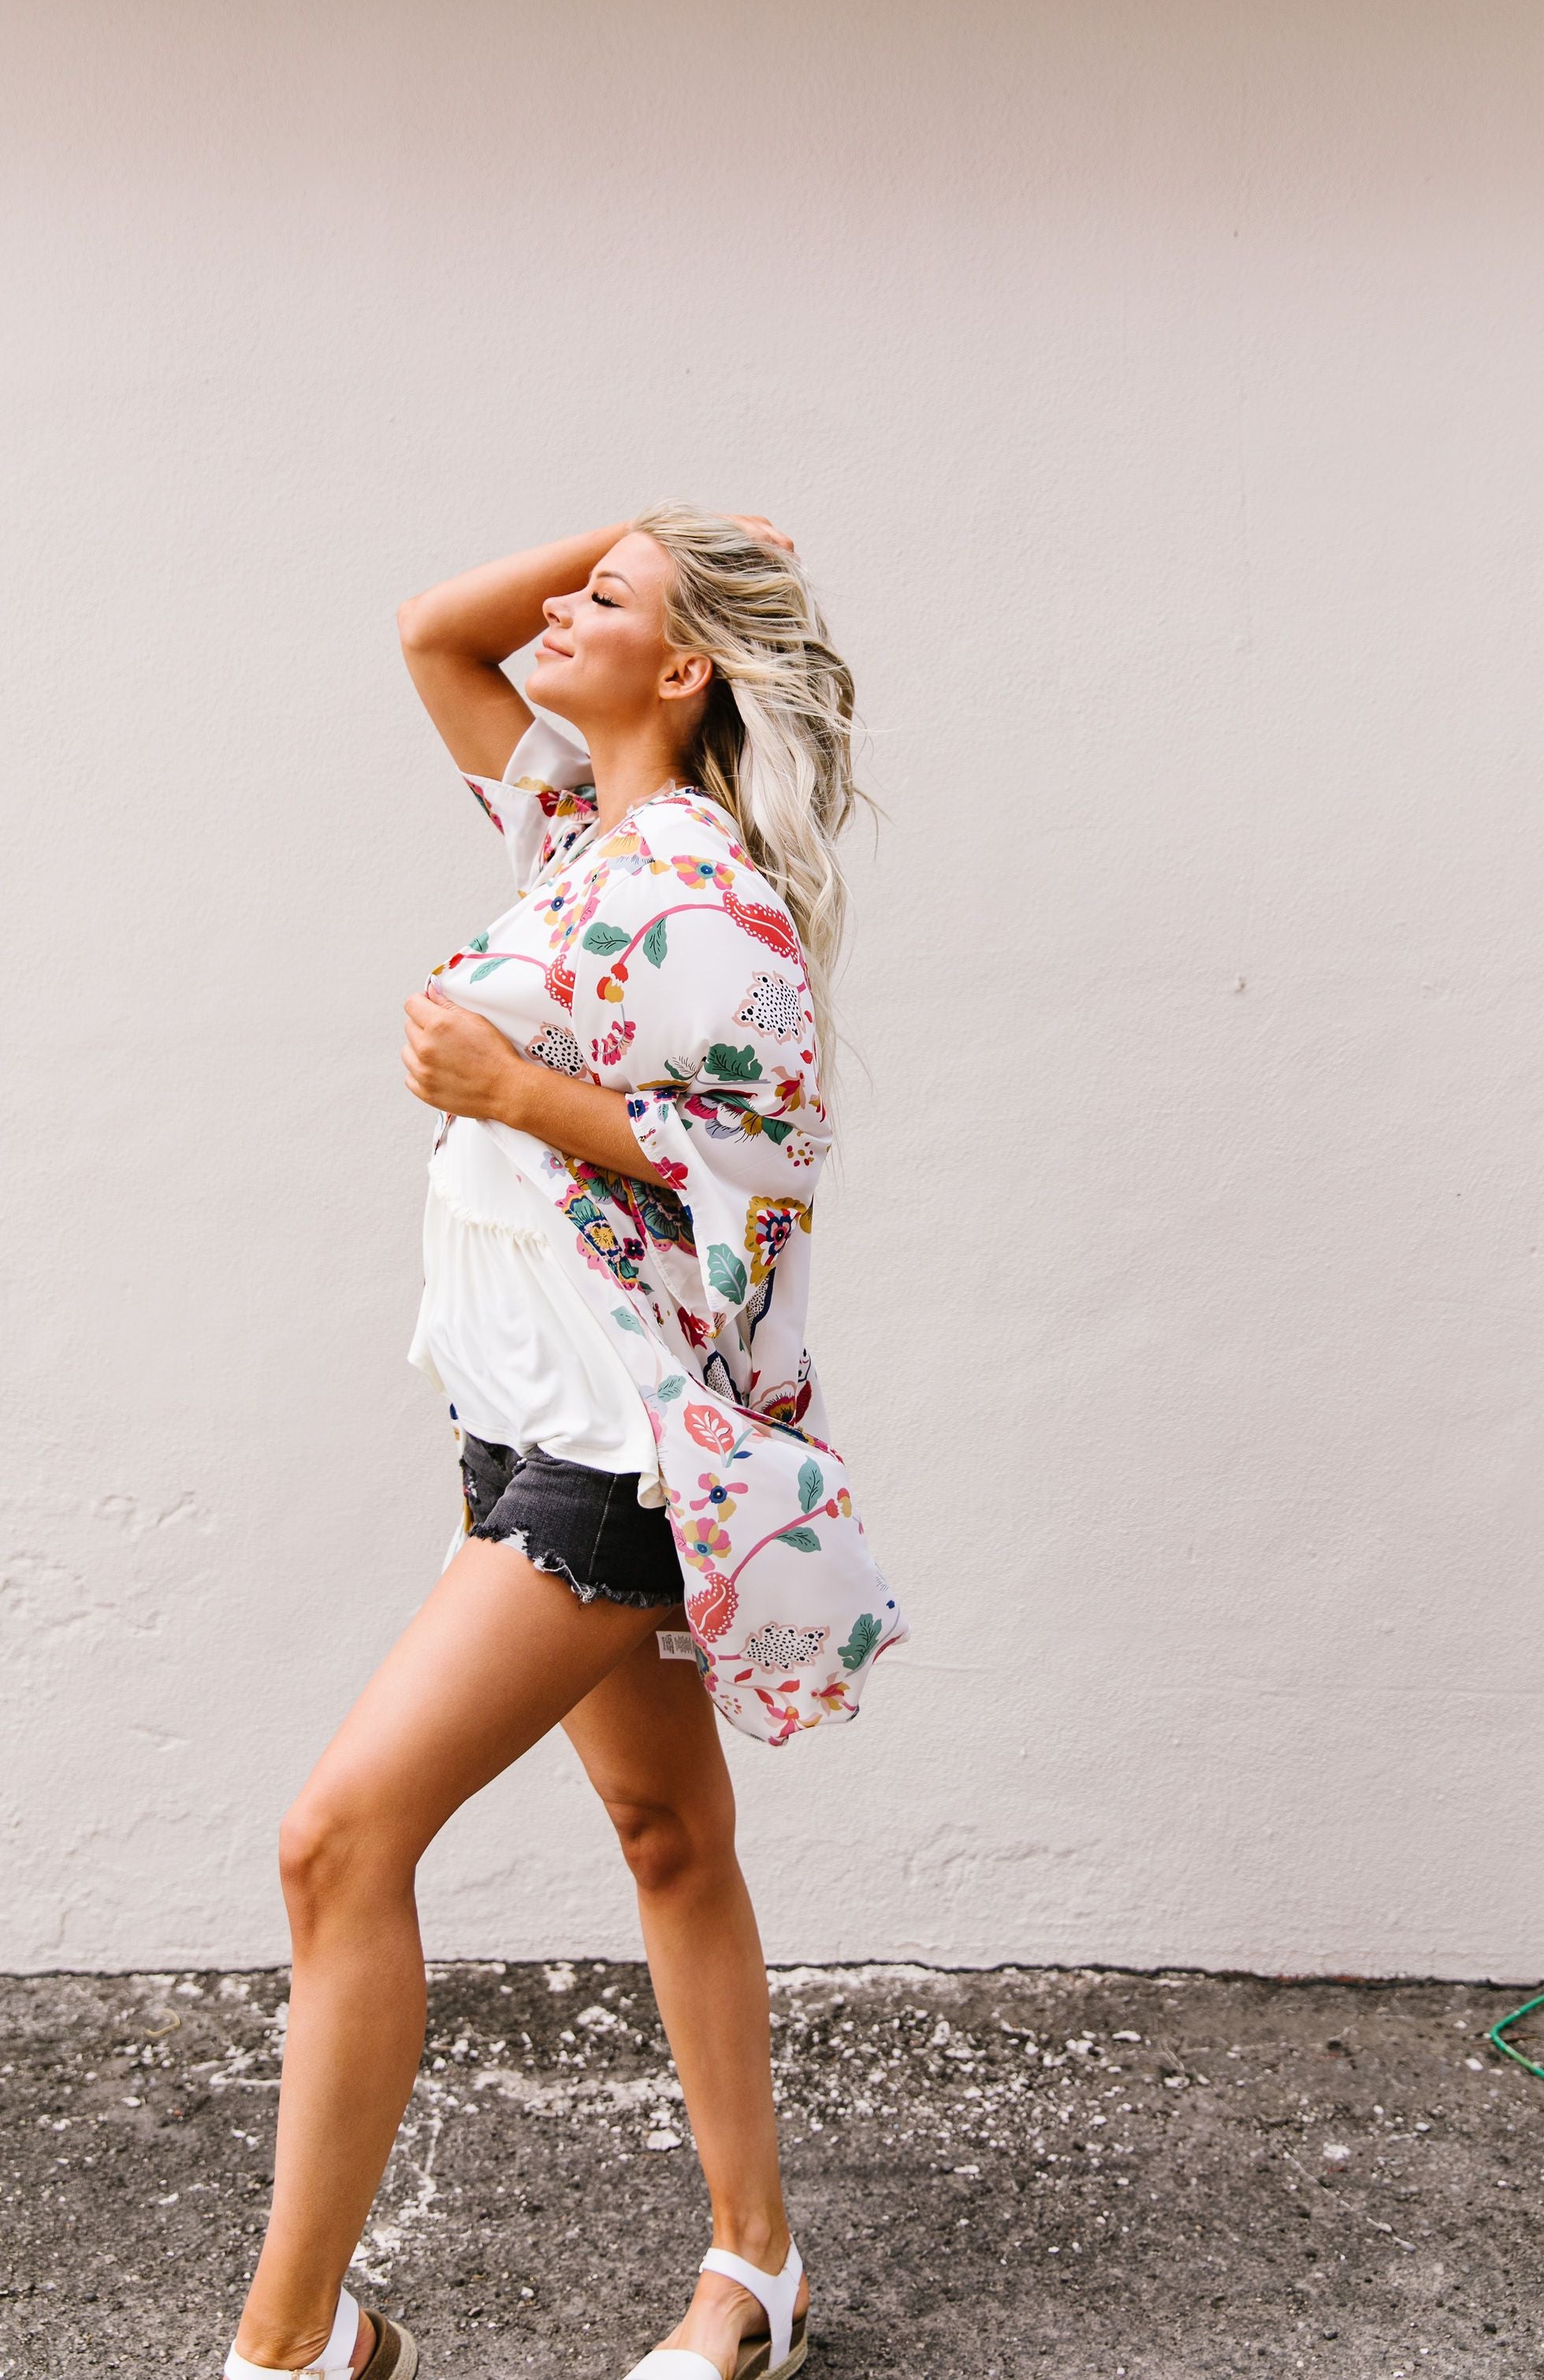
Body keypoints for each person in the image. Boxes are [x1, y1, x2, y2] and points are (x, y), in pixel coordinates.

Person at [221, 507, 902, 2380]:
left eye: (606, 605)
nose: (562, 614)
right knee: (667, 1834)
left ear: (682, 673)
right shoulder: (568, 830)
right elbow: (435, 628)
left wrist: (519, 1092)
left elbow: (773, 1182)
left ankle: (292, 2348)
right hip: (519, 1418)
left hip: (619, 1448)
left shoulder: (706, 896)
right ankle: (755, 2271)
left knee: (335, 1842)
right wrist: (638, 529)